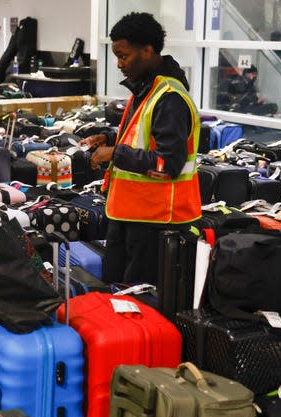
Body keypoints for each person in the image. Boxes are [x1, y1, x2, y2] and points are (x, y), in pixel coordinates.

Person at [79, 12, 201, 284]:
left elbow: (167, 164)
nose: (119, 64)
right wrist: (108, 138)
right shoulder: (147, 90)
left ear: (147, 51)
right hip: (132, 216)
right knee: (117, 292)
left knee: (139, 303)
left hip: (156, 223)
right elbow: (141, 138)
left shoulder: (169, 98)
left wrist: (115, 154)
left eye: (124, 56)